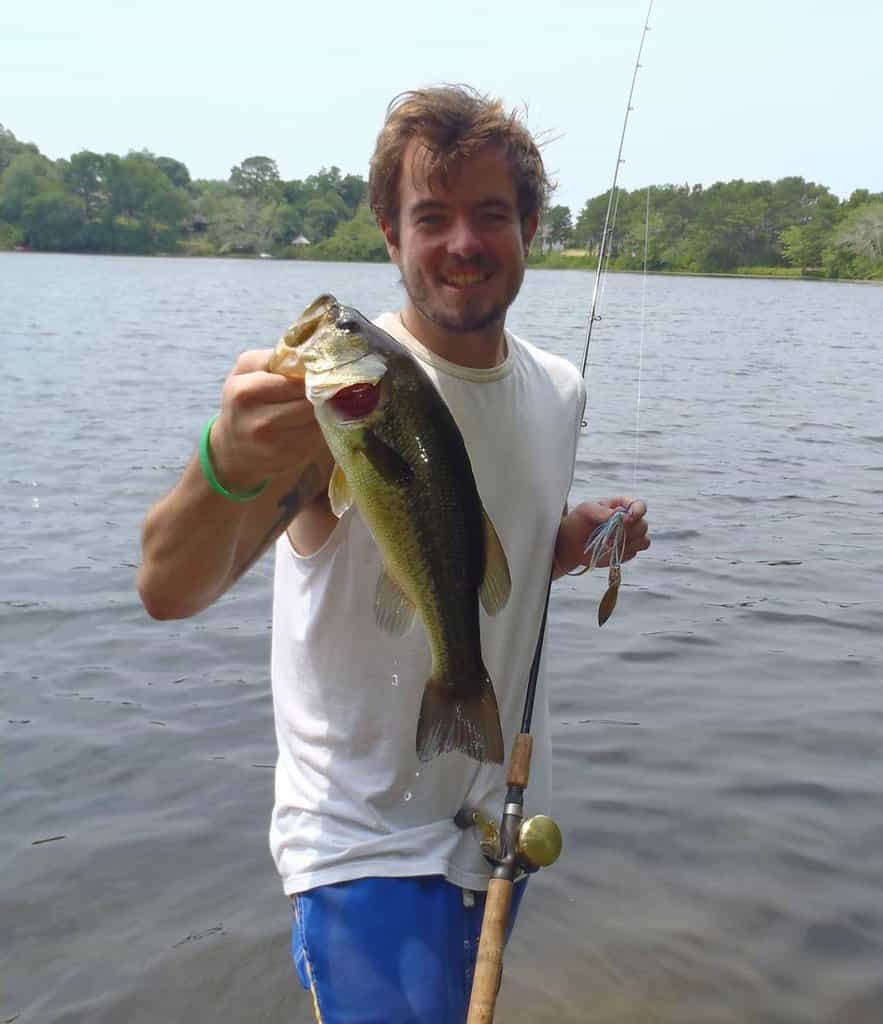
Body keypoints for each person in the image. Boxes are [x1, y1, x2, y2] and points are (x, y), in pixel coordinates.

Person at [137, 84, 650, 1024]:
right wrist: (225, 462)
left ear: (530, 226)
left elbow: (484, 552)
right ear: (388, 231)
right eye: (432, 217)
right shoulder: (323, 406)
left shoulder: (561, 389)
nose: (463, 243)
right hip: (360, 845)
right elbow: (168, 589)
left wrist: (565, 542)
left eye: (491, 214)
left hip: (490, 823)